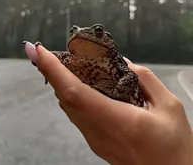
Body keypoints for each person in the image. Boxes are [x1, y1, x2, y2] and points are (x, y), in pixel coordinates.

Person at [25, 42, 193, 165]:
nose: (80, 35)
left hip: (129, 100)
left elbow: (132, 75)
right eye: (73, 32)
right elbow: (58, 58)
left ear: (107, 41)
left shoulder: (112, 60)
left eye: (97, 31)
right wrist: (44, 61)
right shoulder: (74, 58)